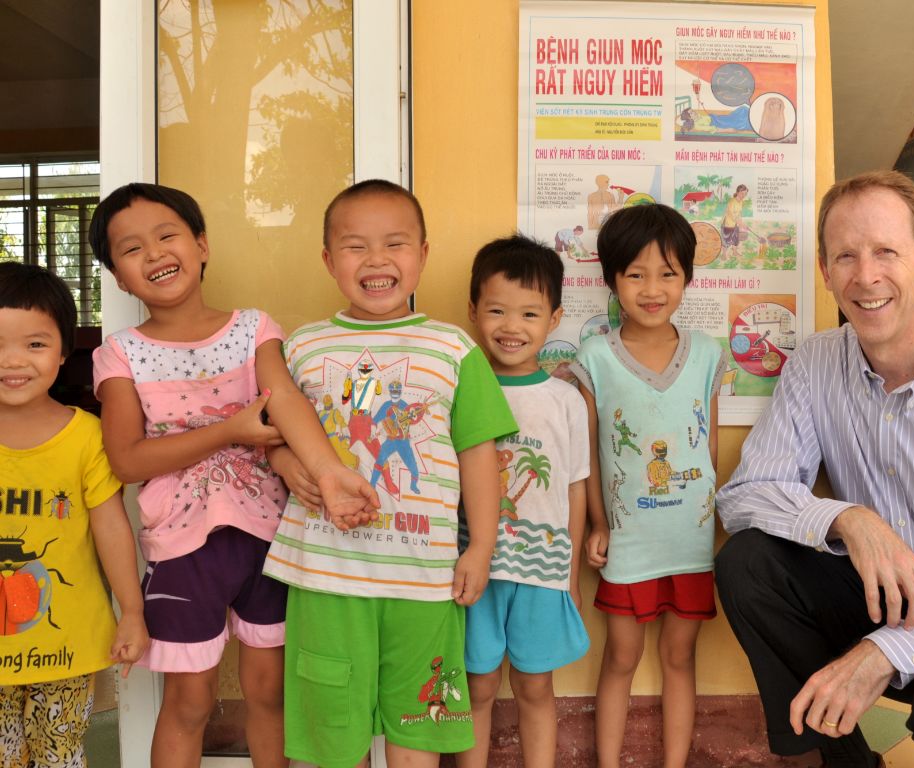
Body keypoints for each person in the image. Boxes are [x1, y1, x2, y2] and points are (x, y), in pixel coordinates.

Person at [715, 169, 914, 768]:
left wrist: (886, 649)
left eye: (887, 251)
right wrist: (850, 519)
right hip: (881, 594)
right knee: (748, 562)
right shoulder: (815, 362)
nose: (867, 275)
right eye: (846, 257)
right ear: (827, 274)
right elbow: (747, 493)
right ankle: (843, 761)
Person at [89, 183, 378, 768]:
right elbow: (126, 460)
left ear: (200, 246)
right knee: (190, 702)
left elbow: (287, 402)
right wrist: (229, 431)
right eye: (130, 248)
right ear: (118, 278)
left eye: (167, 235)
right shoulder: (120, 353)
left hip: (270, 539)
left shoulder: (252, 328)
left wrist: (327, 473)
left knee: (269, 693)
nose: (153, 253)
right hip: (180, 548)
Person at [261, 179, 517, 768]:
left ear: (423, 255)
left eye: (395, 244)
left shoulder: (453, 349)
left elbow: (479, 453)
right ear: (329, 260)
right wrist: (288, 462)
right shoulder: (303, 348)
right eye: (355, 246)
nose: (376, 260)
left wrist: (481, 546)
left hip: (424, 584)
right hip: (327, 579)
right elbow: (270, 436)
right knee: (328, 739)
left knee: (418, 731)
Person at [570, 204, 726, 768]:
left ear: (687, 277)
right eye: (635, 274)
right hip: (628, 542)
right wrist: (597, 523)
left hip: (690, 542)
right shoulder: (594, 357)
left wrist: (715, 525)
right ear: (612, 279)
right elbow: (587, 453)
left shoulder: (708, 353)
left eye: (668, 273)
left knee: (680, 659)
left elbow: (706, 445)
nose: (652, 288)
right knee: (621, 657)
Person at [0, 262, 148, 767]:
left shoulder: (85, 435)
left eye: (34, 345)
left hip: (64, 646)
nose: (13, 361)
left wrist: (132, 610)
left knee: (59, 758)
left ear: (65, 352)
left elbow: (111, 525)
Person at [456, 235, 591, 768]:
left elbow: (575, 487)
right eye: (496, 311)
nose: (512, 327)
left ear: (554, 318)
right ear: (473, 311)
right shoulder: (461, 387)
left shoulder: (565, 400)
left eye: (529, 313)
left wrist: (571, 574)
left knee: (535, 686)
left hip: (543, 569)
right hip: (474, 569)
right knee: (479, 685)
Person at [721, 184, 748, 259]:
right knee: (726, 240)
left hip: (735, 224)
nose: (744, 195)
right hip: (728, 224)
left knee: (736, 239)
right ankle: (724, 254)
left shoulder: (741, 202)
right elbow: (732, 215)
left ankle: (735, 252)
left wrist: (741, 223)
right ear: (737, 192)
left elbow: (739, 214)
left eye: (745, 194)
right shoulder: (732, 202)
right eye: (742, 193)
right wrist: (741, 223)